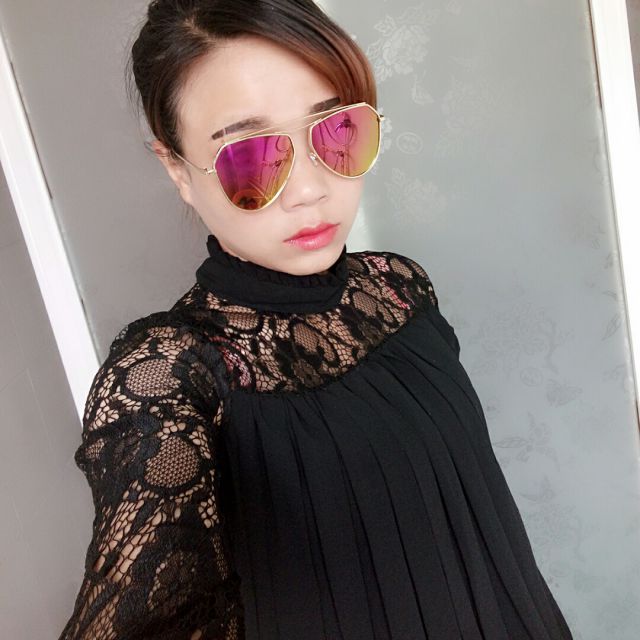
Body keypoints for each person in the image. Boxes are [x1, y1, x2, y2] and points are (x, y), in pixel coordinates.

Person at [58, 1, 575, 638]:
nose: (310, 189)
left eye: (337, 132)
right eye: (249, 157)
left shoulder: (399, 290)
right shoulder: (172, 378)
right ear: (177, 170)